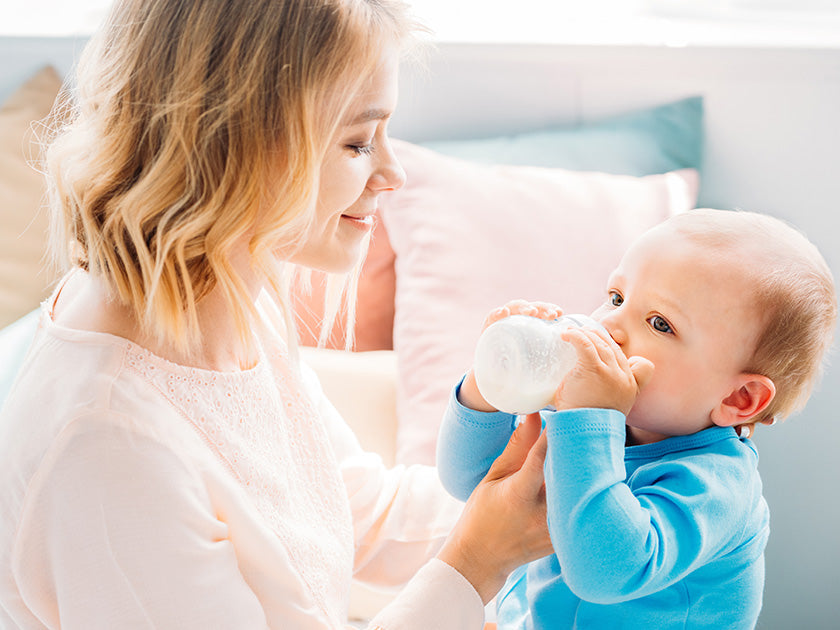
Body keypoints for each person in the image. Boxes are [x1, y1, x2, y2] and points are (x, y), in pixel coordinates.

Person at [0, 1, 555, 628]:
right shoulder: (106, 444)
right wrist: (475, 564)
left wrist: (551, 490)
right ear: (235, 144)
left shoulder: (228, 300)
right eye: (357, 142)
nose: (392, 173)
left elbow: (354, 511)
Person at [437, 208, 837, 629]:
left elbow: (606, 572)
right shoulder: (581, 423)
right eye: (616, 298)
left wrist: (589, 421)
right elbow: (473, 481)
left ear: (739, 398)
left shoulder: (716, 486)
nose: (610, 325)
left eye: (660, 323)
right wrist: (485, 387)